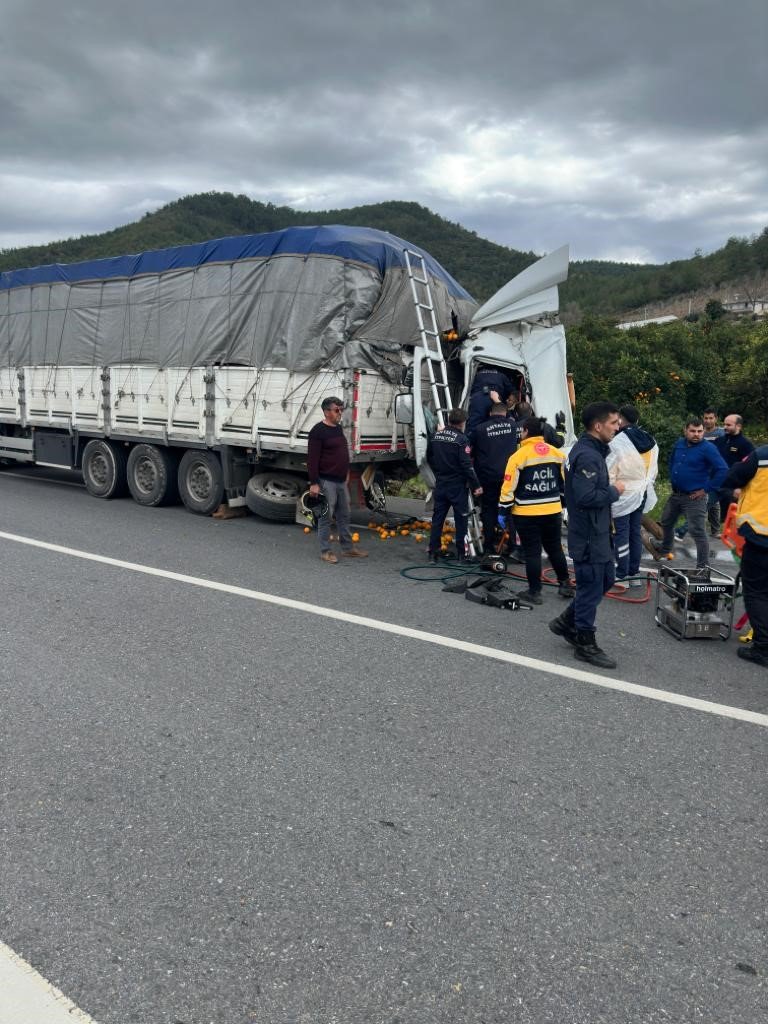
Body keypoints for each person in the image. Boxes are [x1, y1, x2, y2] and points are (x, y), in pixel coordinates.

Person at [549, 401, 624, 669]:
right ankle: (585, 641)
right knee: (591, 585)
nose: (618, 427)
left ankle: (565, 621)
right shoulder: (588, 456)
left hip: (599, 531)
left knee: (605, 579)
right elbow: (586, 496)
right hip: (589, 533)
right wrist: (615, 490)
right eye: (614, 423)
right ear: (598, 425)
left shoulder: (593, 451)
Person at [498, 416, 574, 605]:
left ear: (525, 432)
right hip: (552, 511)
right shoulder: (558, 454)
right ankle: (565, 585)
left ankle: (534, 592)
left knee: (532, 552)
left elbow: (508, 486)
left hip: (526, 513)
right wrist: (562, 502)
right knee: (554, 548)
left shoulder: (518, 456)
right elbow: (567, 483)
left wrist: (503, 510)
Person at [653, 418, 728, 569]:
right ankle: (665, 548)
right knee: (666, 521)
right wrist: (673, 477)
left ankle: (702, 567)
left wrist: (705, 489)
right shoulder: (679, 443)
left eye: (700, 431)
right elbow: (672, 461)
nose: (696, 434)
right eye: (693, 431)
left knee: (697, 531)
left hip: (695, 497)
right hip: (676, 494)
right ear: (685, 431)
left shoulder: (708, 448)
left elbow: (723, 469)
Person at [723, 442, 768, 668]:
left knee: (757, 593)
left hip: (762, 537)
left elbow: (731, 479)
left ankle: (763, 648)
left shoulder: (761, 457)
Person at [307, 396, 368, 564]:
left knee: (345, 515)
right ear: (327, 412)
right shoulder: (317, 432)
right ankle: (325, 551)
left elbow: (341, 453)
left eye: (341, 409)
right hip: (327, 482)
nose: (340, 413)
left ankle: (348, 549)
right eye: (336, 410)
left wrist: (346, 471)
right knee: (326, 517)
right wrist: (314, 483)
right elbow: (312, 459)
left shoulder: (338, 429)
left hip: (341, 481)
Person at [606, 405, 658, 586]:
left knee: (621, 533)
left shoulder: (618, 440)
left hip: (622, 493)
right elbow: (654, 469)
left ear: (621, 419)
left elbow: (610, 467)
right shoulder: (650, 440)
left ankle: (621, 574)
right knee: (634, 532)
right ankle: (634, 572)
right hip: (641, 492)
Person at [427, 408, 482, 562]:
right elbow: (467, 466)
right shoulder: (462, 439)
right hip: (457, 486)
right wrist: (476, 485)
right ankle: (461, 555)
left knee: (438, 519)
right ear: (463, 423)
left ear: (449, 420)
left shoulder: (434, 436)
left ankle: (433, 552)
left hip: (441, 483)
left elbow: (429, 457)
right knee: (461, 520)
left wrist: (438, 472)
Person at [470, 402, 518, 551]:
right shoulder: (513, 427)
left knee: (489, 510)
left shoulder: (480, 429)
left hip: (487, 476)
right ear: (505, 413)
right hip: (509, 477)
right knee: (510, 510)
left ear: (490, 413)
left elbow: (470, 451)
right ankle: (512, 546)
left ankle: (489, 545)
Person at [675, 406, 724, 538]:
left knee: (709, 502)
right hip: (701, 474)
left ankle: (682, 531)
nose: (708, 420)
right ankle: (715, 530)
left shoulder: (721, 434)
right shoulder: (698, 433)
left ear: (716, 419)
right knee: (712, 502)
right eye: (706, 418)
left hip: (715, 474)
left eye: (710, 418)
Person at [715, 414, 755, 524]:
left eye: (728, 425)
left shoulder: (746, 444)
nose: (725, 427)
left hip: (732, 487)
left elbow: (751, 468)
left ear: (738, 426)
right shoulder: (719, 441)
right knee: (706, 506)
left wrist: (741, 487)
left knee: (730, 519)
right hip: (716, 482)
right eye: (724, 424)